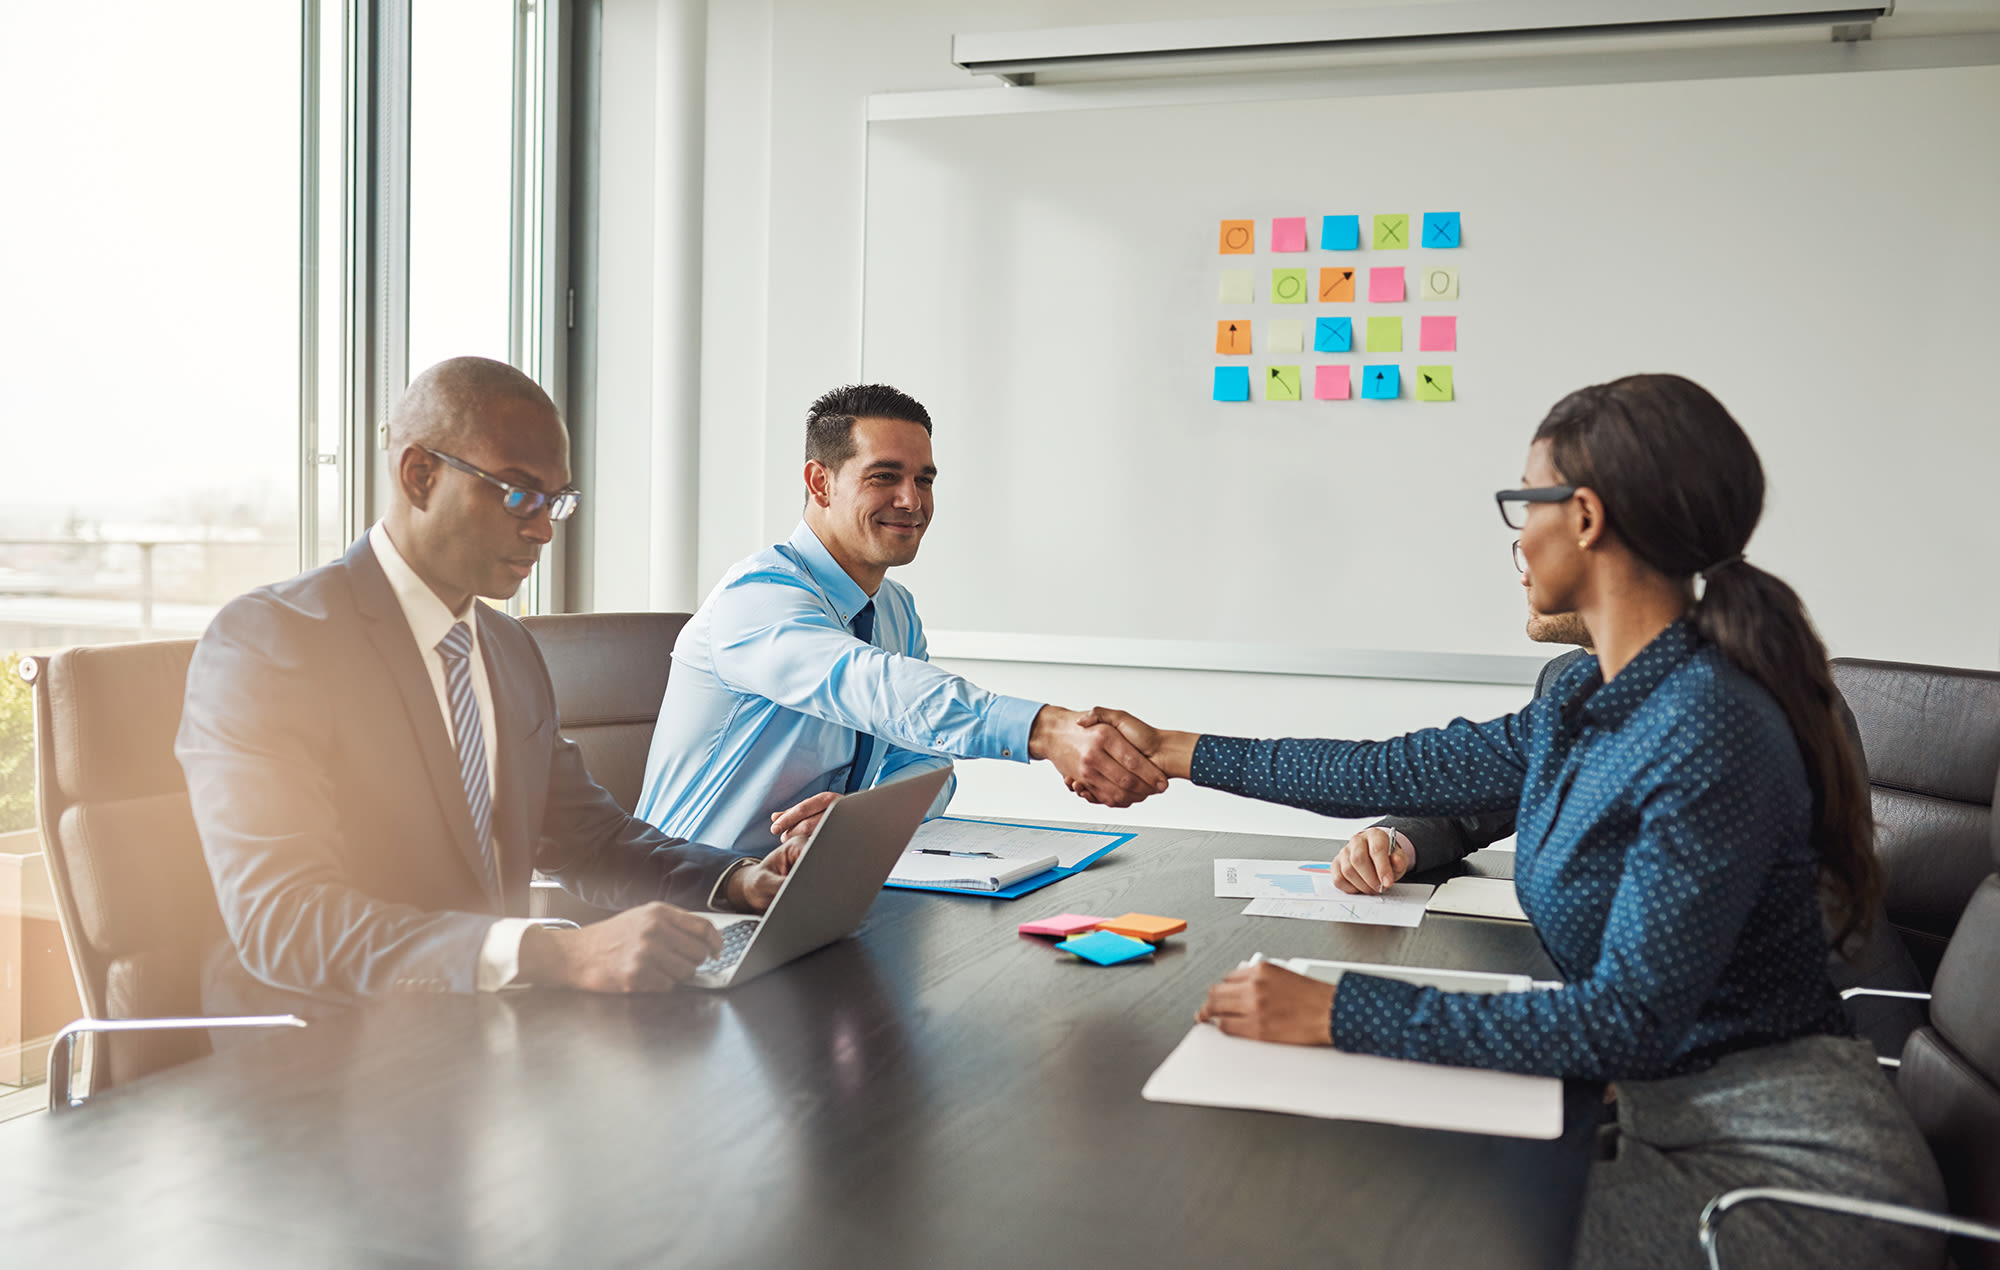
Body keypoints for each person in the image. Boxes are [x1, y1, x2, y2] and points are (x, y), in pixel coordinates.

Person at [1084, 375, 1945, 1268]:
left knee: (1387, 1225)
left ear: (1584, 516)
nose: (1515, 540)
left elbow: (1627, 1023)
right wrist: (1175, 748)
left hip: (1787, 1179)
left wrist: (1342, 1011)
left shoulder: (1707, 724)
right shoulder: (1587, 693)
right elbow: (1387, 767)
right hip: (1668, 1123)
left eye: (1520, 505)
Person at [178, 357, 799, 1014]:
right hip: (315, 1043)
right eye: (518, 493)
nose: (542, 529)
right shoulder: (272, 643)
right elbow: (287, 919)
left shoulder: (506, 648)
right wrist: (554, 953)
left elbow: (588, 837)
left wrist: (737, 880)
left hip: (478, 1023)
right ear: (420, 475)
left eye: (555, 501)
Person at [1336, 611, 1929, 1062]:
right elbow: (1493, 794)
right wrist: (1398, 840)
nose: (1525, 566)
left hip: (1812, 1047)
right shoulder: (1570, 678)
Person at [634, 383, 1166, 856]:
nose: (911, 500)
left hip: (810, 887)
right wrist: (1045, 730)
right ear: (820, 484)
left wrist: (860, 817)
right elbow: (874, 687)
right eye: (884, 476)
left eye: (924, 480)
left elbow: (927, 764)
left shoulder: (894, 609)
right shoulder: (756, 599)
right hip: (688, 902)